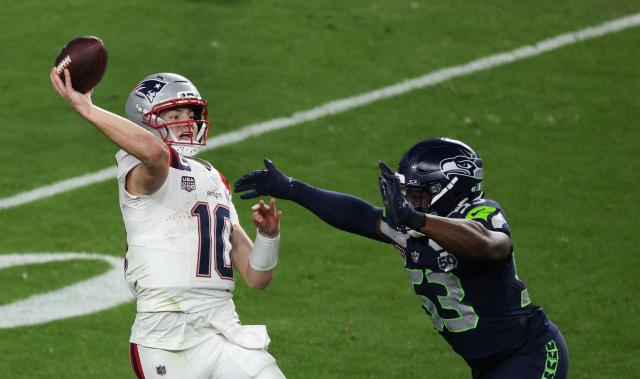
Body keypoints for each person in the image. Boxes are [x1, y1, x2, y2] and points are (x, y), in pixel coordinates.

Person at [234, 137, 569, 379]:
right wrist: (293, 189)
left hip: (530, 354)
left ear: (451, 188)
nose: (409, 200)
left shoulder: (481, 213)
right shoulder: (411, 222)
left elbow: (490, 245)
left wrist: (417, 219)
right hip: (488, 363)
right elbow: (359, 216)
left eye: (418, 193)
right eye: (407, 192)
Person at [50, 68, 286, 379]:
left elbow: (257, 278)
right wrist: (86, 108)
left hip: (222, 329)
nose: (188, 123)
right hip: (164, 338)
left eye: (190, 113)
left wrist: (268, 236)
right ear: (145, 122)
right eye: (174, 116)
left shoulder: (213, 178)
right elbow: (154, 153)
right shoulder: (141, 170)